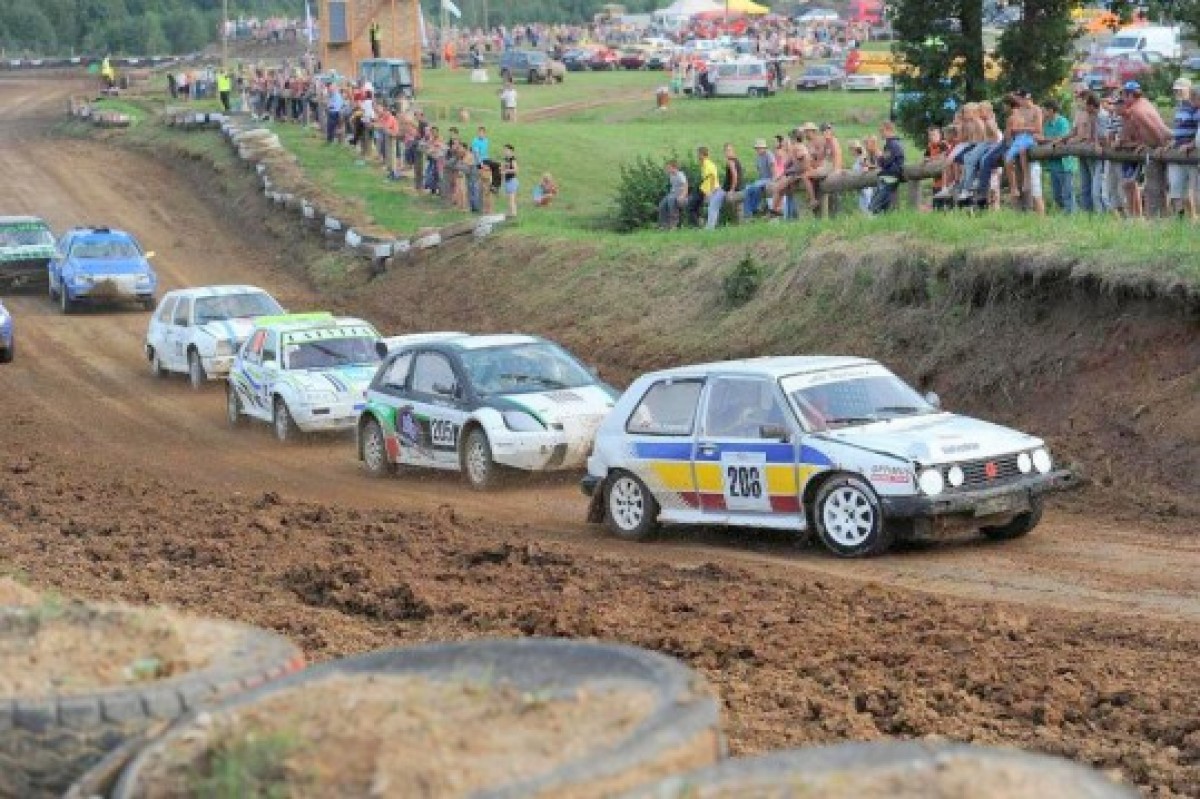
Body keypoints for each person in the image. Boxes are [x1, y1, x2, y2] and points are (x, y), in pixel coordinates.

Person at [1117, 81, 1173, 218]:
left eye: (1124, 95)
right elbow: (1145, 130)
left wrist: (1162, 145)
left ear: (1131, 95)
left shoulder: (1137, 110)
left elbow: (1154, 128)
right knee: (1157, 185)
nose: (1123, 99)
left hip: (1160, 145)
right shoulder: (1144, 103)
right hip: (1154, 145)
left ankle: (1157, 218)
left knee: (1155, 186)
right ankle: (1160, 217)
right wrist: (1145, 143)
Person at [1166, 78, 1198, 220]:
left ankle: (1193, 218)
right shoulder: (1179, 107)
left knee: (1193, 189)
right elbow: (1179, 129)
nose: (1178, 92)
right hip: (1178, 151)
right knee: (1176, 189)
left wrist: (1191, 144)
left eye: (1180, 90)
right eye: (1176, 90)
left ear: (1189, 90)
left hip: (1192, 153)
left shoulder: (1195, 107)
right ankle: (1181, 219)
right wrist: (1173, 142)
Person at [1041, 100, 1076, 214]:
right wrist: (1048, 140)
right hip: (1053, 164)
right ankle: (1063, 214)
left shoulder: (1062, 122)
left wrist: (1047, 140)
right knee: (1057, 195)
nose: (1042, 112)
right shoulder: (1046, 124)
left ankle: (1071, 215)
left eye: (1044, 110)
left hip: (1065, 163)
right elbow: (1041, 139)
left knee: (1067, 193)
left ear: (1051, 110)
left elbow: (1062, 139)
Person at [868, 121, 904, 214]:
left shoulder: (892, 144)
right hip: (888, 178)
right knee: (883, 208)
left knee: (874, 207)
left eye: (881, 130)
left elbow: (885, 162)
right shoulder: (893, 143)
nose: (880, 133)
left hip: (889, 178)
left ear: (888, 130)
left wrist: (877, 152)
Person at [742, 138, 776, 217]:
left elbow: (773, 169)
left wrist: (773, 181)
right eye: (757, 148)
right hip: (762, 180)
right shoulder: (758, 157)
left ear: (764, 148)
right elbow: (760, 172)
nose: (757, 150)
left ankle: (749, 212)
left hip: (769, 179)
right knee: (749, 189)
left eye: (759, 148)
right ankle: (752, 211)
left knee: (751, 188)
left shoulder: (769, 155)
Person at [690, 146, 720, 226]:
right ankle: (701, 223)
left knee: (692, 207)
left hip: (708, 190)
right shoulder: (706, 163)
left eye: (698, 154)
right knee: (695, 206)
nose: (697, 156)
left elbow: (712, 177)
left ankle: (702, 224)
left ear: (702, 154)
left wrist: (710, 192)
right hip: (705, 189)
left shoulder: (707, 164)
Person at [658, 159, 689, 229]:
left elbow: (686, 185)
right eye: (667, 168)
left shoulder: (680, 175)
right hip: (672, 193)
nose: (667, 169)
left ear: (674, 167)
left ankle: (674, 224)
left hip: (679, 193)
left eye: (669, 168)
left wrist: (683, 196)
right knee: (662, 205)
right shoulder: (671, 175)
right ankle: (664, 225)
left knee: (671, 202)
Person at [502, 144, 519, 216]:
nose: (505, 151)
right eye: (504, 150)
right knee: (509, 199)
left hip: (512, 181)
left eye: (506, 150)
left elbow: (516, 170)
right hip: (507, 181)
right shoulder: (506, 159)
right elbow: (504, 168)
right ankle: (509, 212)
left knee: (511, 199)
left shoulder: (513, 159)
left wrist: (506, 171)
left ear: (511, 151)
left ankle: (513, 213)